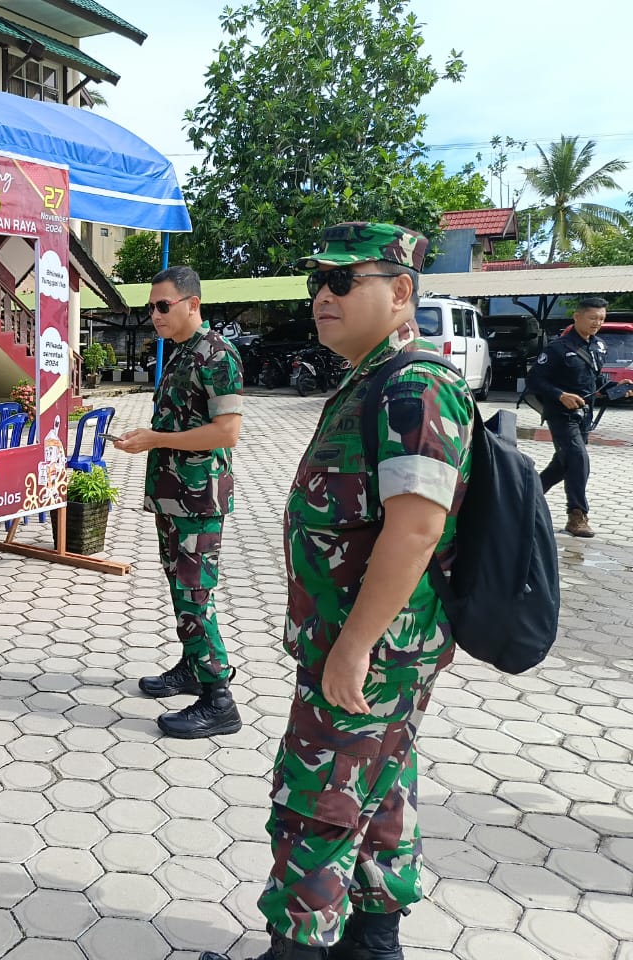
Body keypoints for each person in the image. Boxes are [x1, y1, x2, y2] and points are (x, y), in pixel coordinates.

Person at [202, 223, 474, 960]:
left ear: (401, 292)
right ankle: (372, 943)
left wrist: (353, 647)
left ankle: (299, 950)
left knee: (316, 802)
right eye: (317, 282)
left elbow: (417, 530)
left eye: (345, 280)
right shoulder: (372, 379)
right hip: (368, 647)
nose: (324, 295)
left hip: (369, 650)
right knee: (379, 791)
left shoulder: (413, 385)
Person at [112, 265, 244, 740]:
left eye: (162, 305)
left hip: (199, 498)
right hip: (174, 497)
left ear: (192, 304)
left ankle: (219, 699)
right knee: (180, 590)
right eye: (150, 306)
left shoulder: (217, 355)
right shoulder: (183, 353)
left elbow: (227, 431)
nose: (154, 314)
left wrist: (155, 439)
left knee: (195, 595)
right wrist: (147, 440)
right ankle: (193, 668)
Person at [526, 296, 608, 538]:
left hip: (584, 416)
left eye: (601, 319)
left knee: (563, 464)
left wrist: (616, 388)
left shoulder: (598, 346)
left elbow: (595, 381)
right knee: (578, 459)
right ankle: (577, 515)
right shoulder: (558, 348)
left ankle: (523, 499)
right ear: (577, 316)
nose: (597, 323)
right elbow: (534, 380)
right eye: (592, 318)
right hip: (561, 414)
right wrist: (560, 395)